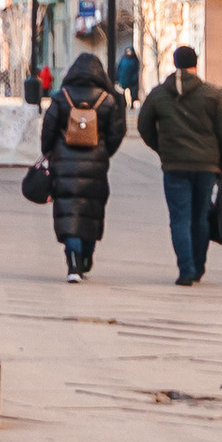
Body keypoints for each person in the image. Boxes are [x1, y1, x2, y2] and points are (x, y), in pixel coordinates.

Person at [136, 44, 222, 289]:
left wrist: (162, 149)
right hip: (206, 166)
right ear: (196, 63)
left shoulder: (159, 93)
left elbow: (143, 126)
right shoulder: (211, 94)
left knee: (179, 218)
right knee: (200, 217)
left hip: (175, 166)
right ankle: (199, 266)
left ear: (174, 63)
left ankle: (185, 269)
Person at [43, 50, 125, 281]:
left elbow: (48, 129)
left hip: (63, 162)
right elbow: (116, 133)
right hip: (95, 165)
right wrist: (103, 152)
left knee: (69, 211)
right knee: (90, 210)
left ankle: (73, 264)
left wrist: (49, 151)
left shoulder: (61, 98)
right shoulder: (107, 100)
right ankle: (87, 257)